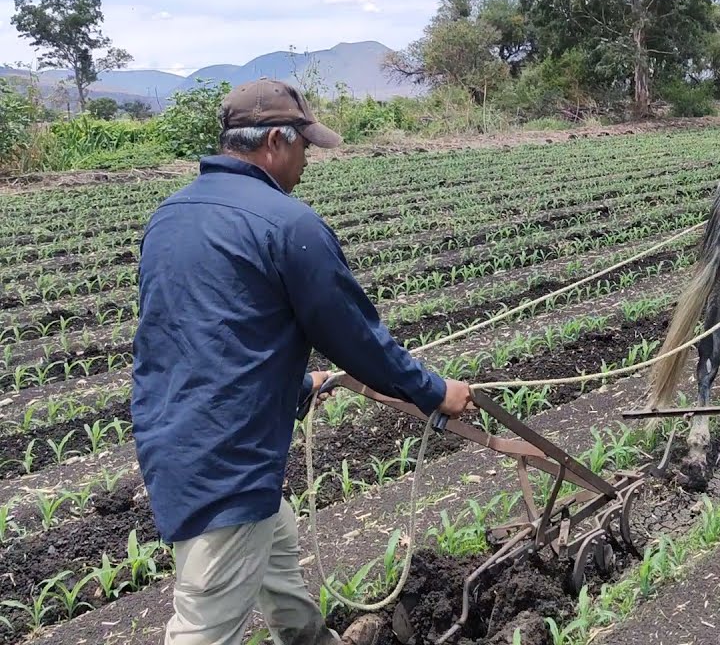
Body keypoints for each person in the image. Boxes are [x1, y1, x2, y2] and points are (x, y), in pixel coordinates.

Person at [130, 77, 471, 645]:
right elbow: (356, 338)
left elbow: (206, 335)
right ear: (276, 142)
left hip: (176, 438)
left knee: (278, 544)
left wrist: (293, 384)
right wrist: (433, 391)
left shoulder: (169, 216)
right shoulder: (288, 225)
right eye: (306, 147)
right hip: (227, 464)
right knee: (205, 627)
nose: (308, 161)